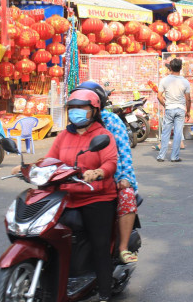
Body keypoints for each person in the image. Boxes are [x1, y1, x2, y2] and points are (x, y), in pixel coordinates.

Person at [14, 89, 118, 302]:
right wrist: (29, 168)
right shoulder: (64, 135)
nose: (76, 112)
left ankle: (105, 293)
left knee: (99, 244)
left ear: (93, 111)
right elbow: (50, 160)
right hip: (65, 196)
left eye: (81, 108)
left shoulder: (103, 135)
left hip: (95, 197)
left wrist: (98, 172)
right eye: (72, 108)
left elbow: (110, 162)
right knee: (46, 234)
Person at [74, 81, 139, 264]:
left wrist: (125, 177)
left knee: (126, 196)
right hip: (79, 178)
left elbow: (124, 151)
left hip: (112, 178)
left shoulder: (111, 121)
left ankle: (123, 248)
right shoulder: (75, 124)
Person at [157, 58, 191, 162]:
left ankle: (161, 156)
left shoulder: (164, 80)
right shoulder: (185, 82)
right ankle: (174, 156)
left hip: (169, 109)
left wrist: (165, 104)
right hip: (180, 109)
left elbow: (159, 96)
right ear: (180, 68)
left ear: (170, 68)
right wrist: (188, 111)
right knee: (177, 133)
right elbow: (188, 99)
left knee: (165, 132)